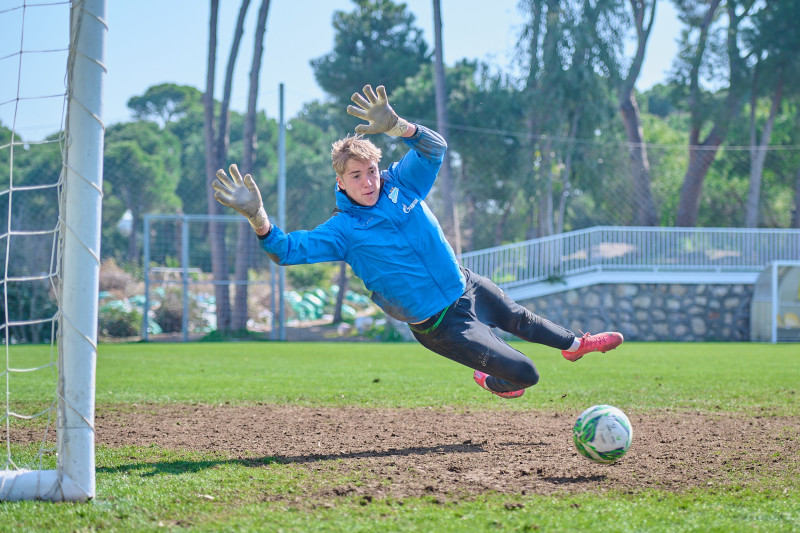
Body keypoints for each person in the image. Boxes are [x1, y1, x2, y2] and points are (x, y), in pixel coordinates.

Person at [212, 84, 623, 399]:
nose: (368, 181)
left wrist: (396, 126)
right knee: (525, 375)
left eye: (371, 170)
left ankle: (574, 344)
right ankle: (489, 377)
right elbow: (285, 251)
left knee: (520, 319)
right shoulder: (343, 230)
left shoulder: (400, 184)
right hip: (440, 324)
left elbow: (434, 149)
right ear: (340, 182)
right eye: (356, 176)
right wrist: (258, 217)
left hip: (466, 285)